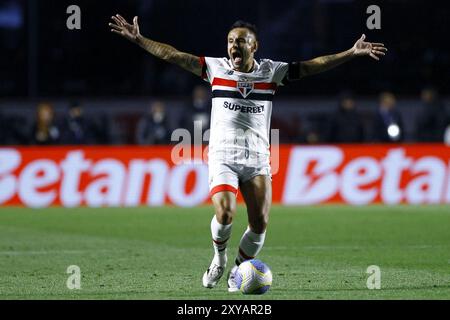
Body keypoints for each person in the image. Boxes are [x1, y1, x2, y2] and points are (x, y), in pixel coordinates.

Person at [109, 15, 387, 292]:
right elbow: (174, 56)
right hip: (223, 156)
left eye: (240, 41)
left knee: (260, 222)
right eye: (230, 41)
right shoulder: (215, 69)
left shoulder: (271, 71)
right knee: (226, 212)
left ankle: (237, 272)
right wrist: (140, 40)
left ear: (254, 46)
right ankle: (218, 260)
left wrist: (351, 53)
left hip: (257, 159)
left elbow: (312, 66)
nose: (233, 46)